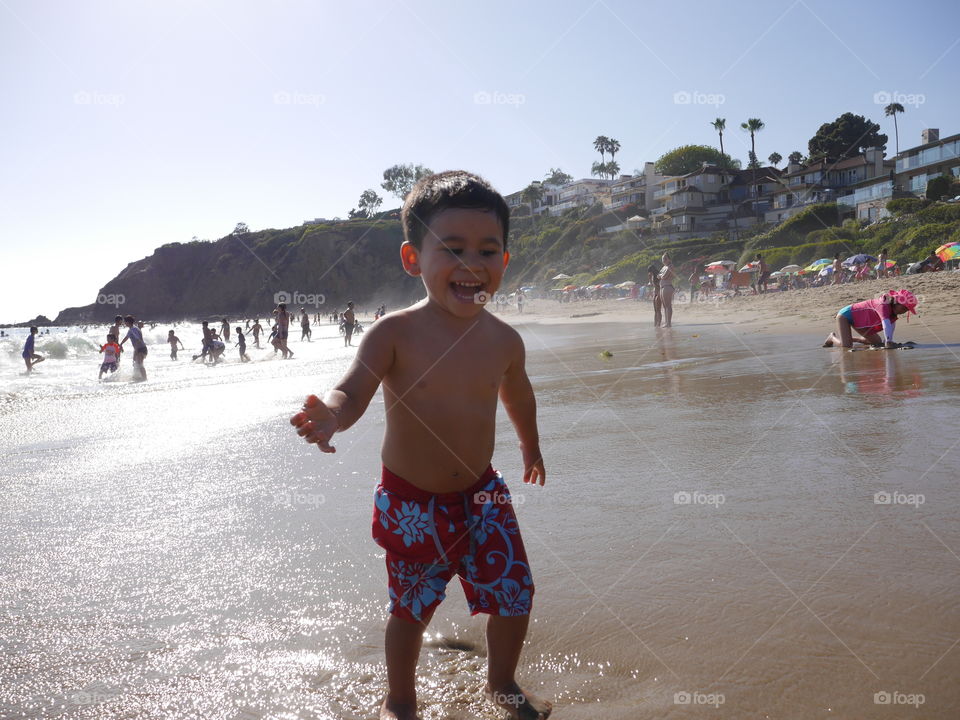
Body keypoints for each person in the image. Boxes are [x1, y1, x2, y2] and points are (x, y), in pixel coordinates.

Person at [289, 171, 550, 720]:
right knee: (409, 609)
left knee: (514, 594)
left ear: (504, 261)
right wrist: (331, 418)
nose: (471, 264)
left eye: (487, 249)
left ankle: (500, 684)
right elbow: (352, 389)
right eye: (451, 249)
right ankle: (400, 699)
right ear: (413, 259)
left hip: (483, 494)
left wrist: (530, 447)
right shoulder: (394, 334)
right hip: (412, 504)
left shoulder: (504, 340)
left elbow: (518, 396)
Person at [822, 289, 918, 349]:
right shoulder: (884, 305)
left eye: (907, 309)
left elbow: (891, 324)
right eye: (904, 308)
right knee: (846, 346)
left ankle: (848, 338)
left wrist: (889, 340)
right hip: (846, 315)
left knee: (877, 342)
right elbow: (886, 323)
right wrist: (889, 342)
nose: (905, 311)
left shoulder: (892, 311)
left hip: (859, 320)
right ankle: (832, 338)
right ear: (896, 302)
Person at [120, 315, 148, 380]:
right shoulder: (131, 329)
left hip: (140, 348)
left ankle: (145, 379)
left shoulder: (133, 329)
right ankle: (138, 377)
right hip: (138, 348)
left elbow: (138, 339)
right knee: (136, 363)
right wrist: (121, 344)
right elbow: (127, 337)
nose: (124, 323)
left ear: (128, 322)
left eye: (125, 322)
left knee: (140, 364)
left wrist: (136, 349)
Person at [658, 253, 676, 327]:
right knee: (665, 306)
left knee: (668, 305)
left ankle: (669, 323)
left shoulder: (670, 266)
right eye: (663, 259)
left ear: (669, 259)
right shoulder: (664, 267)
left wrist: (660, 276)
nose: (663, 260)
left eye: (665, 258)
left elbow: (664, 276)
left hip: (667, 287)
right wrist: (660, 276)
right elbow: (659, 276)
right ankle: (667, 322)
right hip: (662, 287)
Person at [646, 262, 662, 327]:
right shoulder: (652, 276)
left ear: (652, 271)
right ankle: (655, 324)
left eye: (649, 272)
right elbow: (651, 284)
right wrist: (650, 279)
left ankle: (659, 324)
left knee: (658, 310)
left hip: (659, 292)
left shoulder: (658, 275)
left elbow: (660, 284)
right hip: (655, 292)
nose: (649, 273)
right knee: (655, 310)